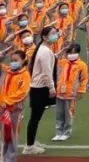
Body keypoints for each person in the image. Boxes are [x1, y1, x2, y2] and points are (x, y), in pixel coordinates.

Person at [23, 26, 56, 156]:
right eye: (53, 33)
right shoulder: (45, 51)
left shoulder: (43, 49)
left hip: (38, 87)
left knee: (36, 117)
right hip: (40, 88)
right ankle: (29, 146)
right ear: (44, 37)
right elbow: (47, 72)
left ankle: (31, 142)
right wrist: (51, 87)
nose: (55, 35)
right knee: (35, 118)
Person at [53, 42, 88, 142]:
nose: (71, 55)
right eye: (69, 53)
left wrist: (81, 91)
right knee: (59, 114)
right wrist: (62, 51)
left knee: (68, 114)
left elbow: (84, 79)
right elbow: (54, 59)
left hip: (71, 94)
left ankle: (66, 132)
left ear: (78, 53)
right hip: (60, 92)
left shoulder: (82, 65)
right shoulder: (63, 62)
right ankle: (59, 132)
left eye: (73, 52)